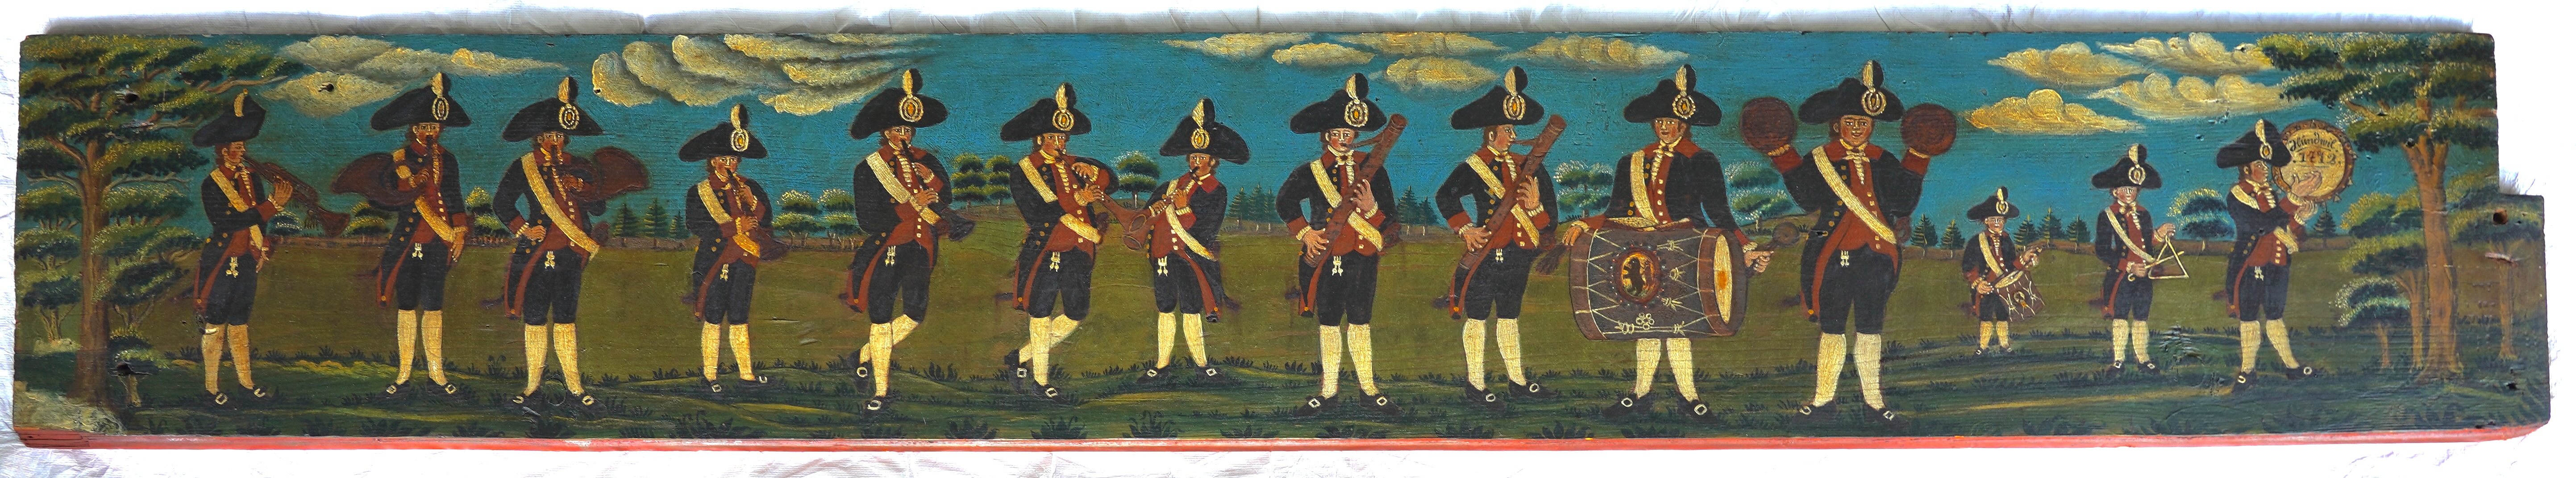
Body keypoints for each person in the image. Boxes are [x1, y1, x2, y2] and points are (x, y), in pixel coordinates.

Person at [1563, 65, 1769, 419]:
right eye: (1659, 121)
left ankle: (1689, 398)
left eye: (1671, 121)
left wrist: (1745, 248)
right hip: (1642, 250)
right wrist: (1584, 223)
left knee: (1679, 326)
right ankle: (1640, 395)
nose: (1664, 127)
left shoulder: (1701, 160)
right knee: (1645, 321)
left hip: (1687, 249)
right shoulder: (1632, 162)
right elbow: (1615, 212)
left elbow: (1719, 212)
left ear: (1684, 124)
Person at [1765, 60, 1935, 427]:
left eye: (1864, 122)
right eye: (1850, 122)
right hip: (1833, 256)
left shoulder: (1883, 159)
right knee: (1832, 328)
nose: (1857, 128)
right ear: (1836, 125)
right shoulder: (1821, 159)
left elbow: (1902, 202)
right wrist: (1782, 154)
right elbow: (1807, 200)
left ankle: (1874, 404)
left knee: (1871, 329)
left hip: (1877, 257)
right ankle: (1823, 402)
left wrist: (1918, 158)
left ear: (1872, 125)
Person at [1278, 73, 1407, 417]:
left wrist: (1372, 209)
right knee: (1329, 321)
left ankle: (1368, 390)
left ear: (1356, 135)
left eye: (1349, 133)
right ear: (1326, 136)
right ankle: (1329, 392)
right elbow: (1285, 203)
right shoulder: (1311, 171)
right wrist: (1306, 234)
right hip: (1328, 256)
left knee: (1361, 321)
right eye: (1337, 133)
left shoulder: (1373, 169)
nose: (1343, 139)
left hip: (1364, 254)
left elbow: (1391, 219)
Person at [1436, 67, 1562, 410]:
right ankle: (1476, 384)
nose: (1513, 135)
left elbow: (1550, 217)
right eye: (1507, 130)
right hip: (1486, 253)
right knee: (1477, 315)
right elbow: (1446, 197)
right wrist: (1466, 230)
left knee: (1509, 316)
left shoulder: (1530, 165)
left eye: (1513, 129)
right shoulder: (1474, 165)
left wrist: (1535, 208)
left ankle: (1517, 381)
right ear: (1491, 134)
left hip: (1520, 252)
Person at [349, 73, 471, 397]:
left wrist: (460, 233)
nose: (431, 132)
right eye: (425, 127)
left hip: (438, 244)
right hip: (407, 244)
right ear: (414, 129)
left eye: (435, 127)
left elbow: (454, 198)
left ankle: (437, 376)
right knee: (406, 307)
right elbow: (386, 199)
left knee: (434, 307)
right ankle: (403, 375)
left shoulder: (448, 160)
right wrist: (411, 184)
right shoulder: (400, 161)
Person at [496, 77, 611, 407]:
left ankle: (575, 388)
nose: (555, 142)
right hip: (538, 254)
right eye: (549, 136)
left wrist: (582, 188)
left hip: (572, 253)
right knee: (535, 318)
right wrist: (523, 229)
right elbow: (502, 202)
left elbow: (599, 207)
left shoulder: (579, 167)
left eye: (560, 136)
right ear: (538, 137)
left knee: (566, 318)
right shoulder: (525, 167)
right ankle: (532, 387)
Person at [845, 69, 954, 412]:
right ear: (885, 132)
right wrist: (912, 206)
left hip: (922, 246)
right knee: (880, 316)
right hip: (887, 248)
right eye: (897, 129)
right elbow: (868, 220)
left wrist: (931, 181)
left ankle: (862, 356)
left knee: (914, 315)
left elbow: (947, 198)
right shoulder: (869, 168)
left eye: (908, 130)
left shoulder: (927, 161)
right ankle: (881, 391)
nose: (903, 135)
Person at [998, 83, 1111, 403]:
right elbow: (1037, 213)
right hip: (1046, 247)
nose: (1060, 143)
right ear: (1039, 139)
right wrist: (1079, 198)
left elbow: (1111, 180)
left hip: (1080, 247)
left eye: (1063, 138)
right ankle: (1041, 381)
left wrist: (1095, 172)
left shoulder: (1074, 163)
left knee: (1076, 314)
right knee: (1041, 312)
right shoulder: (1025, 170)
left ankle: (1020, 358)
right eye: (1053, 137)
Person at [1135, 98, 1248, 385]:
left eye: (1203, 157)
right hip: (1162, 257)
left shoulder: (1217, 191)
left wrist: (1184, 209)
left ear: (1213, 161)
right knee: (1165, 309)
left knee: (1191, 309)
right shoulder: (1170, 186)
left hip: (1190, 258)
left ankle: (1201, 364)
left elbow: (1206, 232)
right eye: (1193, 157)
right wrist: (1154, 209)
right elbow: (1144, 218)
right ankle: (1161, 365)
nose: (1197, 162)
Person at [2217, 120, 2323, 392]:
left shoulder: (2273, 196)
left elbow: (2283, 230)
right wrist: (2293, 198)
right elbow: (2262, 226)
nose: (2265, 169)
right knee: (2250, 318)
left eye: (2266, 164)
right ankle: (2247, 372)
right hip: (2252, 265)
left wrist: (2299, 217)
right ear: (2246, 168)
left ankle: (2291, 367)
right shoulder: (2238, 196)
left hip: (2278, 264)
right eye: (2259, 164)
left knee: (2276, 317)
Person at [680, 104, 780, 394]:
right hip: (714, 259)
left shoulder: (751, 187)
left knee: (740, 317)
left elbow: (767, 220)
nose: (730, 164)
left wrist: (753, 203)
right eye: (724, 158)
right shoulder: (700, 192)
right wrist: (735, 227)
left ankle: (746, 376)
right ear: (713, 161)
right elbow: (696, 225)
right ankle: (710, 377)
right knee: (713, 317)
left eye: (734, 159)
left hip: (745, 260)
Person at [191, 92, 282, 406]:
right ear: (223, 151)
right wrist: (271, 206)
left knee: (241, 323)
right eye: (237, 147)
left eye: (243, 147)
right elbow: (227, 222)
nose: (242, 152)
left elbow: (257, 218)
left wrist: (262, 244)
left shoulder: (251, 179)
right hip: (221, 260)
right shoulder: (212, 184)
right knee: (216, 324)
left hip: (246, 259)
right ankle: (211, 389)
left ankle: (246, 383)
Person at [2091, 144, 2175, 374]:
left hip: (2144, 276)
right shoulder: (2107, 216)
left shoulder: (2144, 214)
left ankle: (2143, 359)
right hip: (2121, 276)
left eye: (2134, 189)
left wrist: (2159, 235)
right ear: (2115, 191)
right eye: (2125, 188)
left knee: (2141, 318)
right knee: (2120, 317)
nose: (2130, 193)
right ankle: (2118, 361)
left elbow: (2146, 243)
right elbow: (2102, 250)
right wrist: (2128, 267)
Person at [1961, 188, 2037, 354]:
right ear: (1986, 221)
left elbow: (2011, 265)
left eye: (2001, 220)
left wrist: (2025, 259)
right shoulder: (1977, 241)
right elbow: (1968, 266)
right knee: (1986, 316)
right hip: (1987, 287)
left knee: (2003, 315)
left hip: (2004, 287)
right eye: (1994, 220)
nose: (1997, 223)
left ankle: (2004, 346)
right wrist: (1978, 283)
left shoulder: (2007, 241)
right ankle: (1983, 347)